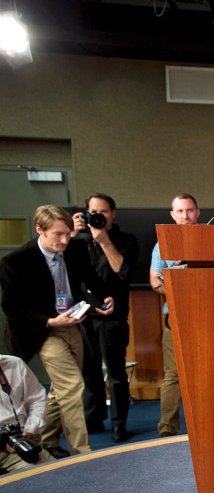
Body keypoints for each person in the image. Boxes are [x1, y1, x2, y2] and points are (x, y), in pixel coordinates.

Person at [0, 205, 116, 458]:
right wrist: (51, 322)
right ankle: (82, 453)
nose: (64, 240)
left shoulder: (74, 248)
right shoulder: (14, 261)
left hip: (73, 323)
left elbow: (90, 279)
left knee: (60, 390)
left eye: (67, 233)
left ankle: (44, 440)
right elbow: (12, 309)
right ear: (39, 229)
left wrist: (104, 298)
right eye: (57, 235)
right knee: (73, 385)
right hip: (42, 330)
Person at [72, 193, 138, 443]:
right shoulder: (79, 241)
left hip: (114, 317)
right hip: (84, 315)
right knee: (89, 372)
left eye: (104, 211)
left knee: (116, 373)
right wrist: (72, 234)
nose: (99, 216)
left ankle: (119, 426)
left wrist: (104, 241)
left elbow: (123, 271)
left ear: (113, 213)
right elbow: (68, 274)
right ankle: (94, 419)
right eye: (94, 212)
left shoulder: (126, 240)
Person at [149, 194, 200, 437]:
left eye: (189, 210)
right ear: (172, 215)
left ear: (197, 212)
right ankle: (167, 430)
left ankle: (208, 425)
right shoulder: (163, 244)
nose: (185, 216)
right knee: (173, 376)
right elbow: (155, 281)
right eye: (180, 211)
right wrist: (178, 285)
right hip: (176, 317)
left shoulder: (210, 239)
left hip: (207, 317)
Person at [0, 354, 54, 473]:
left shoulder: (13, 364)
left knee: (56, 474)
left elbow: (37, 400)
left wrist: (30, 429)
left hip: (16, 440)